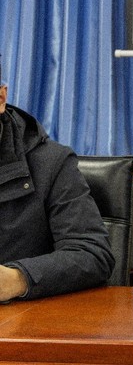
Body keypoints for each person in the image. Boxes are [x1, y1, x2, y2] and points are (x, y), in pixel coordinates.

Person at [0, 61, 115, 302]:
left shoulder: (51, 163)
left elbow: (92, 253)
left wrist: (18, 279)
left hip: (25, 317)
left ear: (1, 98)